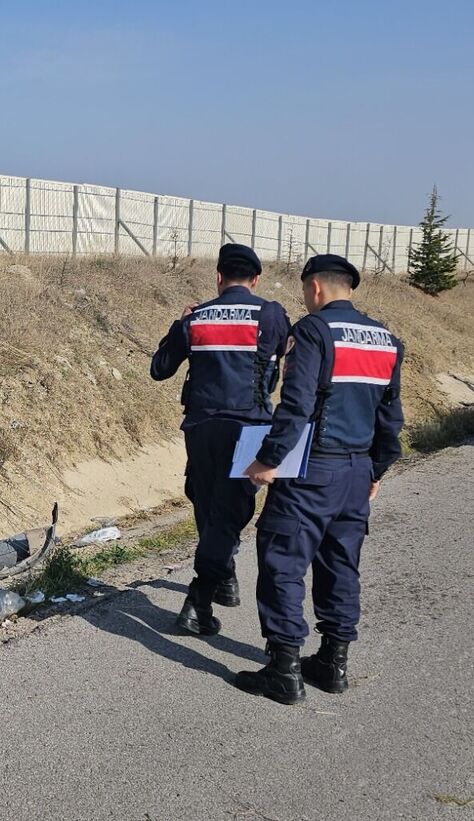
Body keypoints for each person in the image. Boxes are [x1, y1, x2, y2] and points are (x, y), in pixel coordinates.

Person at [238, 254, 405, 705]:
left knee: (283, 560)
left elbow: (295, 405)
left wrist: (268, 460)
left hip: (313, 470)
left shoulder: (312, 331)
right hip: (356, 472)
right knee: (340, 564)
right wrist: (377, 469)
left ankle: (284, 669)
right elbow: (391, 418)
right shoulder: (387, 340)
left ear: (314, 288)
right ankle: (333, 663)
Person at [150, 244, 290, 636]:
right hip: (249, 428)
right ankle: (201, 596)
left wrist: (179, 325)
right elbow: (290, 356)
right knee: (231, 510)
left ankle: (220, 576)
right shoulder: (271, 314)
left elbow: (160, 369)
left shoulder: (196, 319)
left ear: (218, 277)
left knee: (207, 500)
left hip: (202, 427)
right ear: (256, 280)